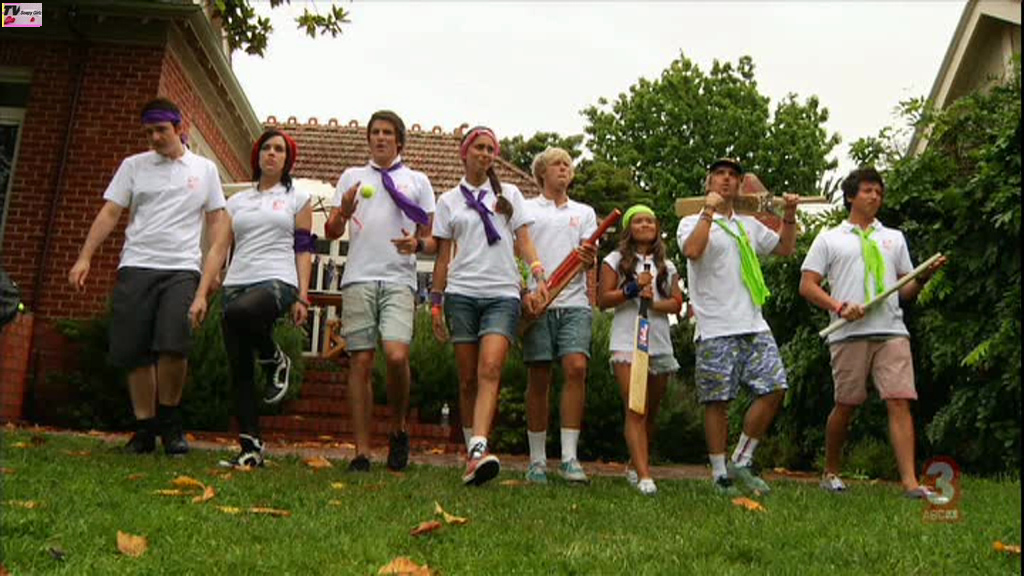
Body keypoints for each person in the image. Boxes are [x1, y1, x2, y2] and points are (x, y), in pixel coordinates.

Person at [68, 97, 228, 455]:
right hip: (137, 264)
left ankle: (170, 424)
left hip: (181, 268)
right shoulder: (133, 166)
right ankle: (144, 429)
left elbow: (217, 222)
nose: (154, 137)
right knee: (136, 350)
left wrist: (212, 270)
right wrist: (84, 257)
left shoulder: (204, 169)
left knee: (174, 345)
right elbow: (111, 212)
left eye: (161, 130)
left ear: (178, 128)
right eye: (148, 132)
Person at [799, 167, 946, 498]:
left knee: (899, 400)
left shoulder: (894, 238)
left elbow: (905, 291)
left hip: (892, 330)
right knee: (846, 403)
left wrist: (922, 278)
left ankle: (910, 483)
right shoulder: (829, 238)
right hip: (847, 333)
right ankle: (831, 472)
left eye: (879, 192)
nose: (875, 197)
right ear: (851, 196)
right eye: (867, 191)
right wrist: (839, 307)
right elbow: (807, 285)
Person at [188, 129, 313, 468]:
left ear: (287, 159)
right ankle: (250, 447)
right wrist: (202, 293)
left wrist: (302, 296)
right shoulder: (237, 202)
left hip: (277, 280)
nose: (272, 154)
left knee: (239, 314)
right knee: (239, 366)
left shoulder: (298, 199)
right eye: (266, 148)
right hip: (236, 282)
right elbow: (218, 249)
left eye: (279, 150)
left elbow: (303, 250)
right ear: (257, 155)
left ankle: (275, 358)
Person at [430, 126, 548, 486]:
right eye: (479, 147)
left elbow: (523, 240)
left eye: (490, 149)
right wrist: (435, 303)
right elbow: (442, 257)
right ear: (464, 153)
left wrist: (537, 272)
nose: (485, 153)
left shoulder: (509, 194)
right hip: (461, 294)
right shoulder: (448, 200)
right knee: (467, 379)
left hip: (502, 293)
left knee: (491, 368)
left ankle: (479, 447)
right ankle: (473, 456)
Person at [676, 158, 798, 495]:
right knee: (717, 400)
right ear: (709, 182)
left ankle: (741, 460)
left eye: (733, 175)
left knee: (775, 388)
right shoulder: (690, 221)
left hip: (753, 322)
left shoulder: (748, 225)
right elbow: (693, 250)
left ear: (740, 184)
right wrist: (708, 211)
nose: (726, 179)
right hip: (714, 326)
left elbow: (785, 248)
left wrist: (788, 214)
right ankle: (719, 474)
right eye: (720, 174)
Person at [324, 110, 437, 472]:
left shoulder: (418, 180)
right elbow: (330, 231)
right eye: (375, 132)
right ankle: (361, 452)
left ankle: (398, 429)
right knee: (360, 360)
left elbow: (433, 240)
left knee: (396, 355)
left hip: (399, 279)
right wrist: (343, 212)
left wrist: (417, 244)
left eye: (388, 132)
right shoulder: (351, 177)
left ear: (399, 141)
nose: (381, 137)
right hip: (359, 276)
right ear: (369, 139)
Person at [521, 147, 598, 484]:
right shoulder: (526, 209)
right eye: (557, 163)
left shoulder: (584, 212)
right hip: (538, 302)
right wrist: (525, 293)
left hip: (574, 303)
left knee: (576, 368)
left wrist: (589, 258)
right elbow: (518, 251)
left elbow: (589, 259)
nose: (564, 168)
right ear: (542, 172)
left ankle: (569, 458)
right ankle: (537, 460)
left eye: (568, 164)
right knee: (539, 375)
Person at [597, 205, 682, 495]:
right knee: (636, 406)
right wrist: (632, 289)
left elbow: (676, 303)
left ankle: (635, 464)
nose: (645, 225)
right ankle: (645, 477)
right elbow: (603, 300)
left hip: (658, 340)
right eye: (638, 221)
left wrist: (654, 302)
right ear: (628, 228)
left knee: (651, 411)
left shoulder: (666, 266)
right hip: (627, 341)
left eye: (650, 221)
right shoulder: (614, 260)